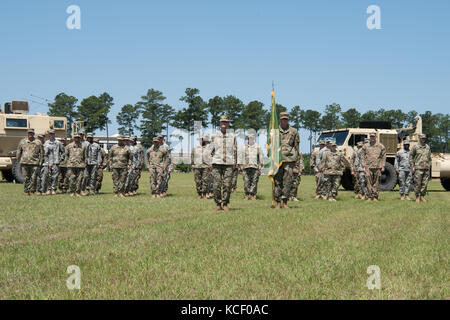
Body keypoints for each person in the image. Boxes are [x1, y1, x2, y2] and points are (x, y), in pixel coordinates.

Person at [210, 115, 237, 211]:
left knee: (227, 185)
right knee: (216, 185)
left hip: (229, 163)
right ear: (220, 123)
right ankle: (218, 204)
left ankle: (225, 203)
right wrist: (210, 163)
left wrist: (235, 163)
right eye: (222, 122)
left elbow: (235, 150)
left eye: (225, 122)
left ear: (228, 123)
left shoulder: (232, 136)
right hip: (216, 163)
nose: (224, 124)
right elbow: (210, 150)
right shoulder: (214, 136)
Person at [273, 112, 300, 209]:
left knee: (288, 182)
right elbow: (271, 146)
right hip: (278, 160)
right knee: (277, 181)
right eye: (282, 119)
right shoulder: (275, 131)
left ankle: (285, 202)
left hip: (289, 160)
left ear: (288, 120)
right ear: (280, 120)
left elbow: (296, 147)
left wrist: (297, 162)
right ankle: (278, 202)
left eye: (286, 119)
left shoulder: (294, 131)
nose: (284, 121)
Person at [16, 128, 44, 195]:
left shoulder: (38, 142)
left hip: (34, 163)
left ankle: (32, 191)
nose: (30, 134)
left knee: (33, 178)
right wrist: (19, 160)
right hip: (24, 162)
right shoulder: (22, 141)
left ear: (33, 134)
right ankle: (26, 191)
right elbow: (19, 152)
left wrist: (40, 162)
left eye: (31, 133)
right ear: (27, 134)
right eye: (29, 133)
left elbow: (42, 153)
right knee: (26, 178)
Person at [361, 133, 386, 202]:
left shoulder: (380, 146)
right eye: (371, 136)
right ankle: (369, 196)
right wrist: (363, 165)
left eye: (373, 136)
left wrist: (383, 166)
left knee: (376, 182)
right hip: (368, 167)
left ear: (376, 137)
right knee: (368, 182)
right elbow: (362, 156)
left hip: (377, 166)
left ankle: (375, 196)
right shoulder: (365, 146)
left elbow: (383, 156)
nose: (372, 138)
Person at [238, 132, 263, 200]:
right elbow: (240, 156)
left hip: (255, 167)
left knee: (254, 181)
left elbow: (261, 157)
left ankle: (252, 195)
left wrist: (260, 166)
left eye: (252, 138)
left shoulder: (258, 147)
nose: (251, 139)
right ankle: (247, 194)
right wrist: (240, 166)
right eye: (249, 138)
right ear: (248, 139)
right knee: (246, 181)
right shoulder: (243, 147)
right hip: (245, 167)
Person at [42, 129, 65, 195]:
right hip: (47, 163)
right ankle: (49, 189)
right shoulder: (46, 143)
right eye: (50, 134)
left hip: (55, 162)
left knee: (55, 177)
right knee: (48, 176)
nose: (51, 135)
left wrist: (60, 159)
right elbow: (44, 153)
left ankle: (54, 189)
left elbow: (63, 152)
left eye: (52, 134)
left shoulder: (58, 143)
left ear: (54, 134)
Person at [410, 134, 431, 202]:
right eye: (422, 138)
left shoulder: (427, 147)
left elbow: (429, 157)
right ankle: (417, 197)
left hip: (426, 168)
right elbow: (411, 157)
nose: (423, 139)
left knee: (424, 183)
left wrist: (429, 165)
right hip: (418, 168)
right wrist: (412, 166)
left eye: (424, 138)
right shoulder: (415, 147)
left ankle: (422, 196)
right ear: (419, 138)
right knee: (417, 183)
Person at [191, 134, 212, 199]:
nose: (203, 140)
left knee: (205, 181)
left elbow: (212, 156)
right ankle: (199, 194)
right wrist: (192, 164)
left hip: (206, 166)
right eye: (202, 139)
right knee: (197, 181)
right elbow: (192, 156)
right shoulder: (195, 147)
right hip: (197, 166)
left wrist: (211, 164)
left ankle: (204, 194)